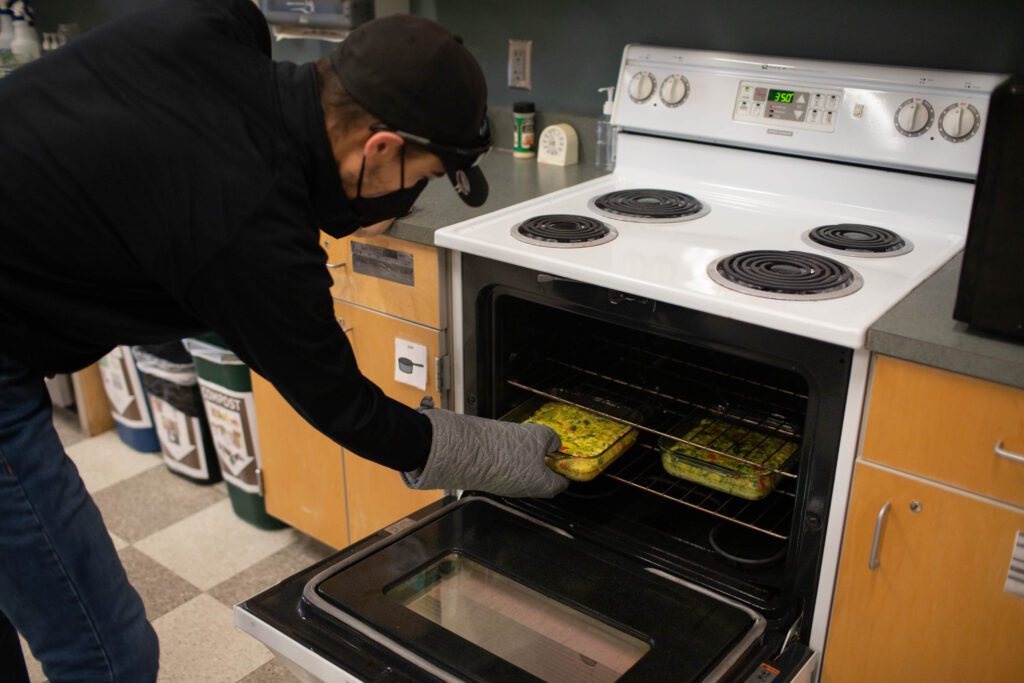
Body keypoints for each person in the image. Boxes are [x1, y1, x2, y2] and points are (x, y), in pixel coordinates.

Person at [0, 1, 567, 680]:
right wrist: (519, 456)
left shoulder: (222, 27)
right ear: (379, 146)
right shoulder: (251, 227)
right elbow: (351, 412)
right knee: (106, 650)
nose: (405, 204)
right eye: (415, 182)